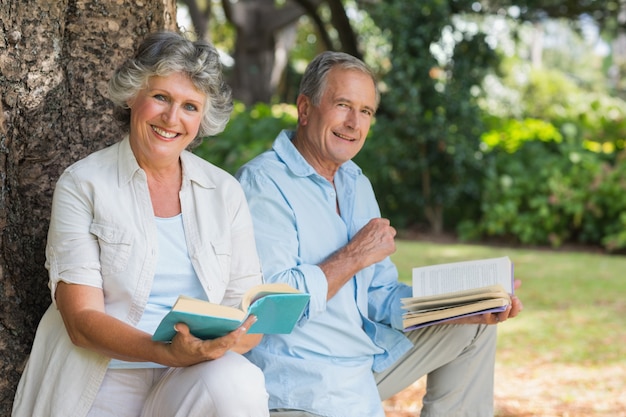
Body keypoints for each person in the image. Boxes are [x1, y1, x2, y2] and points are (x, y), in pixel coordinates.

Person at [236, 51, 524, 417]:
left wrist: (462, 304)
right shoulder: (263, 184)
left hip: (359, 365)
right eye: (343, 105)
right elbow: (270, 309)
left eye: (366, 111)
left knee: (473, 328)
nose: (354, 123)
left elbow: (381, 297)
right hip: (301, 384)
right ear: (305, 108)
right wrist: (353, 256)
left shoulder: (355, 182)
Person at [12, 31, 269, 417]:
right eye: (161, 97)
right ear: (134, 95)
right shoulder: (83, 183)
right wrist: (164, 350)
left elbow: (249, 314)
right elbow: (81, 321)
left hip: (187, 377)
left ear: (203, 117)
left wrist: (213, 346)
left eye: (189, 106)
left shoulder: (224, 191)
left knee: (241, 383)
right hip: (101, 373)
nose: (172, 119)